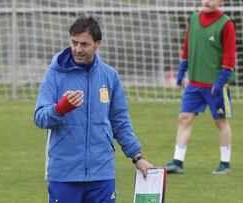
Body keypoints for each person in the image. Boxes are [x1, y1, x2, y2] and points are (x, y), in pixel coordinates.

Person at [34, 16, 153, 203]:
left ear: (97, 44)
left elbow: (120, 122)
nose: (78, 49)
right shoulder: (54, 74)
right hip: (64, 173)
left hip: (102, 173)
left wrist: (137, 156)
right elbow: (40, 118)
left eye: (84, 44)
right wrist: (60, 108)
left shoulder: (109, 76)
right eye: (74, 43)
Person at [165, 0, 235, 174]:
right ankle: (177, 161)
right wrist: (181, 72)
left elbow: (229, 57)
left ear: (221, 1)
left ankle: (225, 164)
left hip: (216, 85)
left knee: (220, 121)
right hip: (194, 84)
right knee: (184, 118)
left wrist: (220, 83)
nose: (207, 1)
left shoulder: (226, 24)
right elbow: (187, 49)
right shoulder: (194, 18)